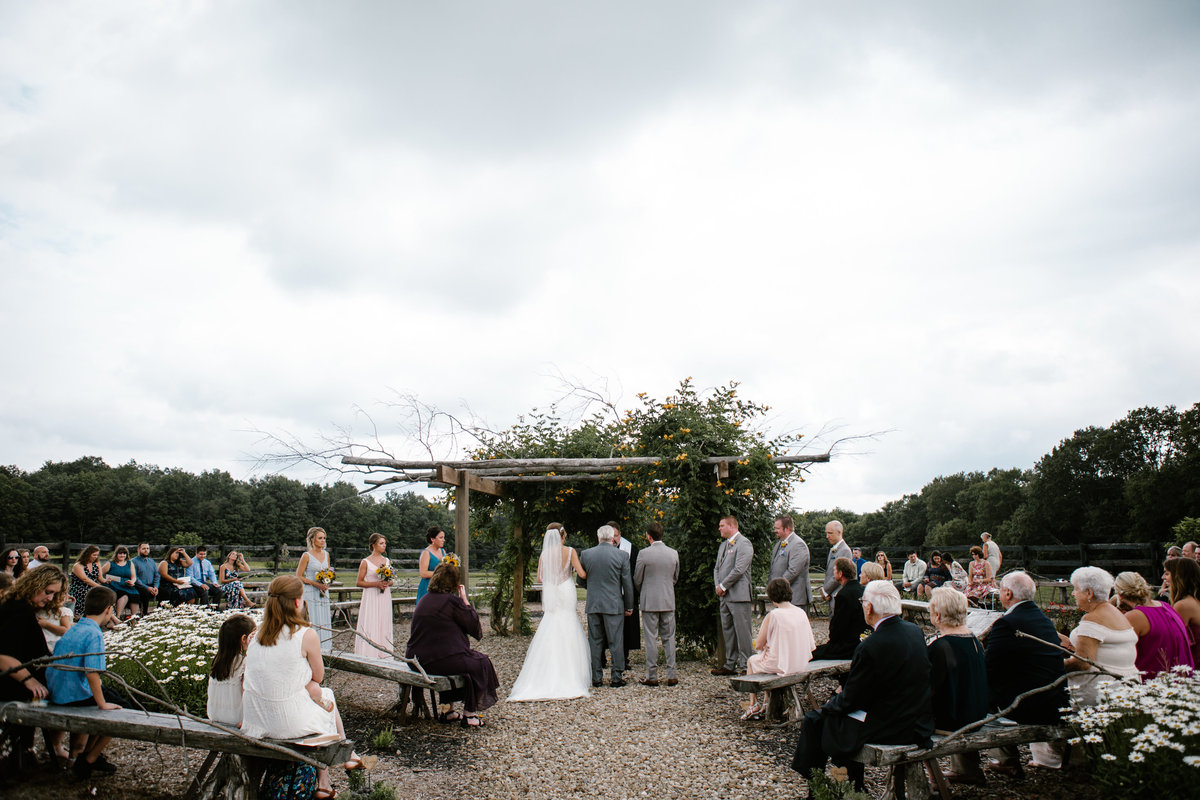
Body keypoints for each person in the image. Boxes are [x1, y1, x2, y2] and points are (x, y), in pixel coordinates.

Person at [791, 581, 933, 794]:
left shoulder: (870, 646)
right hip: (915, 717)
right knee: (833, 718)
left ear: (869, 608)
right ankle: (850, 783)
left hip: (890, 724)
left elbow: (851, 699)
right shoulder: (914, 631)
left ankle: (819, 786)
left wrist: (830, 704)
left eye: (863, 602)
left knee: (818, 719)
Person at [243, 575, 365, 798]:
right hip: (285, 724)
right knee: (324, 693)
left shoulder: (256, 634)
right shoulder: (305, 634)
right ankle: (344, 760)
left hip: (256, 720)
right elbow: (318, 676)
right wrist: (309, 684)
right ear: (298, 602)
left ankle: (326, 783)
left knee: (315, 692)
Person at [985, 571, 1069, 773]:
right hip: (1054, 698)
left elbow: (989, 665)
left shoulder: (1007, 623)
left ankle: (1006, 759)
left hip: (1029, 702)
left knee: (973, 694)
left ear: (1007, 594)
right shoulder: (1043, 619)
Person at [406, 562, 499, 726]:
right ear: (455, 583)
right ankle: (470, 715)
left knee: (464, 666)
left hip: (417, 659)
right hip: (437, 660)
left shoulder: (425, 599)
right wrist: (465, 601)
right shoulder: (452, 602)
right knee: (481, 662)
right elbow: (473, 627)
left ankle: (448, 711)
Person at [46, 586, 124, 780]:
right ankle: (90, 759)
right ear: (108, 609)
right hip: (73, 695)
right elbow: (92, 673)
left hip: (58, 690)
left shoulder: (76, 628)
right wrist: (101, 703)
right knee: (123, 710)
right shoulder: (94, 634)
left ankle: (87, 754)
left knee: (114, 696)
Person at [508, 523, 592, 701]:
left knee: (551, 624)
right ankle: (570, 674)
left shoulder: (544, 554)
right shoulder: (570, 551)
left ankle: (545, 673)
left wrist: (553, 579)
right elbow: (582, 574)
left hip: (553, 590)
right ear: (562, 535)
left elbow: (540, 577)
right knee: (569, 624)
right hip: (566, 589)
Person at [0, 565, 67, 761]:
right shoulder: (17, 611)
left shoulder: (19, 606)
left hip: (22, 678)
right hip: (13, 683)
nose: (50, 598)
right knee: (82, 694)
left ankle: (29, 749)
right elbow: (2, 655)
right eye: (48, 592)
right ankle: (80, 755)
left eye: (54, 594)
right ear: (35, 584)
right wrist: (29, 680)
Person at [927, 587, 987, 785]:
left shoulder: (941, 647)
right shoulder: (974, 639)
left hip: (954, 719)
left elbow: (930, 688)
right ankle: (967, 769)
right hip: (977, 712)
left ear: (937, 615)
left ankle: (935, 782)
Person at [1061, 567, 1139, 707]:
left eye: (1076, 589)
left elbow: (1082, 663)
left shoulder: (1091, 619)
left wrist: (1052, 664)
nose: (1073, 593)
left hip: (1099, 698)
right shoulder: (1116, 614)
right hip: (1124, 689)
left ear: (1089, 593)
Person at [742, 578, 815, 720]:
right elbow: (811, 643)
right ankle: (766, 701)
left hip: (782, 664)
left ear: (771, 596)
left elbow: (759, 644)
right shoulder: (800, 612)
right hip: (800, 661)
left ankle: (754, 703)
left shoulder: (774, 615)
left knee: (752, 660)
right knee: (768, 657)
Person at [579, 525, 634, 687]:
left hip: (594, 603)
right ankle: (616, 677)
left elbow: (581, 580)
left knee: (595, 641)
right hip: (614, 604)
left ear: (598, 537)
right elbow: (627, 583)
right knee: (616, 641)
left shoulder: (586, 554)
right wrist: (629, 606)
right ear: (612, 538)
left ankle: (596, 678)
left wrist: (594, 589)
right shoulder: (622, 556)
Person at [1113, 570, 1193, 679]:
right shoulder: (1165, 606)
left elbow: (1120, 654)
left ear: (1120, 595)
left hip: (1153, 680)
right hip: (1180, 676)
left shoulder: (1134, 616)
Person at [634, 522, 680, 687]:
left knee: (651, 638)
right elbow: (675, 577)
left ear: (648, 535)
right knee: (669, 638)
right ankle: (672, 674)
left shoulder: (643, 554)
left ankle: (652, 675)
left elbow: (637, 579)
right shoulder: (673, 553)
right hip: (668, 599)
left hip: (650, 601)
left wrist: (645, 589)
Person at [712, 515, 754, 676]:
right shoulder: (723, 546)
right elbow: (717, 568)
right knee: (728, 630)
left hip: (739, 595)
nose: (719, 528)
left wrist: (723, 585)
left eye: (722, 525)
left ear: (731, 526)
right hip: (724, 596)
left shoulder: (744, 544)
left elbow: (739, 569)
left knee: (743, 631)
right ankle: (730, 664)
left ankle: (746, 665)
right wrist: (718, 585)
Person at [811, 558, 868, 660]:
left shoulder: (843, 595)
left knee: (811, 654)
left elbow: (838, 627)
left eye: (834, 570)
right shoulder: (863, 590)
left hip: (849, 646)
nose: (833, 572)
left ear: (840, 573)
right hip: (863, 640)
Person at [207, 614, 257, 725]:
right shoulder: (243, 663)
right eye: (253, 635)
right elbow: (247, 694)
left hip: (215, 716)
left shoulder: (217, 661)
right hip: (236, 719)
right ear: (244, 638)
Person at [354, 533, 394, 659]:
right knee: (371, 620)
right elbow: (359, 582)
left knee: (383, 620)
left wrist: (387, 582)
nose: (384, 546)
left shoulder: (387, 561)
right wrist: (376, 584)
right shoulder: (365, 562)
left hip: (384, 595)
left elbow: (392, 580)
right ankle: (368, 652)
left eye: (385, 543)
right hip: (371, 595)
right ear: (373, 545)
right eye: (381, 543)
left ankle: (384, 651)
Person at [296, 526, 333, 653]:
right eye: (320, 538)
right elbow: (299, 576)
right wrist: (315, 584)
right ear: (312, 539)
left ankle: (325, 650)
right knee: (313, 620)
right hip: (311, 591)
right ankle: (310, 650)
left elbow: (328, 573)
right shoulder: (306, 556)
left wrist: (327, 582)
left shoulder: (326, 554)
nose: (323, 541)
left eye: (324, 538)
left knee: (324, 620)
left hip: (323, 592)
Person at [610, 521, 640, 666]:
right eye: (611, 536)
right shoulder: (605, 550)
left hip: (626, 592)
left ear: (620, 535)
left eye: (616, 535)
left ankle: (624, 658)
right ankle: (606, 658)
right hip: (609, 594)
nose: (614, 539)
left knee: (626, 627)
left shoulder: (631, 549)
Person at [770, 515, 812, 608]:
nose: (775, 531)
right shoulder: (779, 544)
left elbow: (793, 571)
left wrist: (777, 588)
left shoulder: (798, 544)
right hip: (781, 598)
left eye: (777, 528)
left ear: (787, 528)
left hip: (795, 598)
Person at [1164, 556, 1200, 666]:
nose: (1163, 578)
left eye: (1167, 574)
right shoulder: (1195, 600)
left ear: (1178, 577)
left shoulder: (1183, 605)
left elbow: (1173, 639)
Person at [101, 545, 141, 618]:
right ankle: (118, 616)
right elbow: (100, 574)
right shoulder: (110, 563)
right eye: (120, 553)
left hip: (126, 585)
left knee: (135, 595)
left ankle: (134, 617)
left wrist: (132, 581)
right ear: (116, 554)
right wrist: (105, 580)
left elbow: (134, 576)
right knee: (124, 595)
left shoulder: (129, 563)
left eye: (124, 553)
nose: (122, 555)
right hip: (114, 585)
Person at [37, 578, 73, 651]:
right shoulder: (40, 609)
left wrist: (46, 625)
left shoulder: (62, 611)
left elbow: (66, 630)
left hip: (54, 645)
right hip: (41, 644)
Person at [69, 545, 105, 617]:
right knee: (91, 594)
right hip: (80, 588)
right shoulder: (78, 565)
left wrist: (107, 581)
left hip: (94, 587)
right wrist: (99, 587)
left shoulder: (96, 564)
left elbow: (100, 578)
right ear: (88, 554)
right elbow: (85, 579)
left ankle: (110, 618)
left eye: (97, 555)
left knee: (107, 594)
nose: (95, 557)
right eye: (94, 555)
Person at [822, 521, 853, 601]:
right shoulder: (834, 549)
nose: (827, 536)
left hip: (838, 595)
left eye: (830, 533)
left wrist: (825, 591)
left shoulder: (845, 550)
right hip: (831, 595)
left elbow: (840, 575)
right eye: (826, 533)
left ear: (839, 532)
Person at [416, 527, 447, 604]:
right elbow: (423, 573)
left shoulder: (443, 551)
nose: (443, 540)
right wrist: (440, 574)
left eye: (444, 537)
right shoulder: (426, 553)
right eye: (441, 538)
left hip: (441, 586)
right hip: (428, 586)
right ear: (432, 539)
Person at [131, 542, 160, 613]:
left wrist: (156, 587)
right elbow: (135, 578)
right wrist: (147, 588)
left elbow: (157, 575)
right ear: (138, 550)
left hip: (152, 585)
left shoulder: (152, 561)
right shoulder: (133, 562)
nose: (146, 550)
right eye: (143, 548)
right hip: (140, 586)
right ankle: (144, 614)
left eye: (147, 548)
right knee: (145, 594)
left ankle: (159, 612)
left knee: (165, 593)